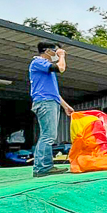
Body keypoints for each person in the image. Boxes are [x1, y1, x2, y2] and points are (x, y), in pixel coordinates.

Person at [29, 41, 74, 178]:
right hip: (45, 102)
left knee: (49, 135)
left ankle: (45, 166)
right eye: (55, 50)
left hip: (49, 101)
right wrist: (62, 56)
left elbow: (53, 92)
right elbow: (61, 68)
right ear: (47, 50)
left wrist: (65, 106)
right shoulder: (38, 62)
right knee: (48, 135)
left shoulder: (45, 68)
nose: (57, 52)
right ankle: (42, 168)